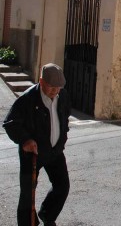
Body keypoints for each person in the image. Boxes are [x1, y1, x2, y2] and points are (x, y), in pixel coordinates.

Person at [3, 63, 71, 226]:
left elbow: (64, 119)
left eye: (58, 87)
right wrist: (25, 140)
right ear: (41, 82)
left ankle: (47, 214)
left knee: (62, 186)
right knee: (28, 194)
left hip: (54, 151)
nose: (55, 91)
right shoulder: (27, 99)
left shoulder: (63, 96)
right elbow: (10, 123)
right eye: (51, 87)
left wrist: (62, 140)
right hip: (32, 153)